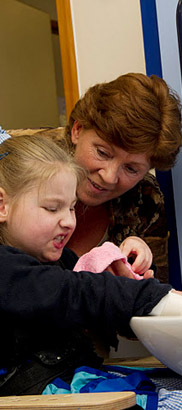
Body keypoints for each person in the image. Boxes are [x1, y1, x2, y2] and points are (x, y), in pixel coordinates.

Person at [0, 130, 180, 397]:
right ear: (2, 206)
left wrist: (125, 270)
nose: (69, 221)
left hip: (77, 379)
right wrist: (152, 296)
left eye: (72, 208)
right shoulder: (6, 270)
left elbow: (98, 302)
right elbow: (75, 292)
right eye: (52, 208)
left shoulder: (61, 260)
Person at [10, 72, 181, 283]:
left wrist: (140, 267)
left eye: (131, 169)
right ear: (78, 129)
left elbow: (152, 295)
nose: (109, 177)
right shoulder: (19, 163)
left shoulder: (146, 201)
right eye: (102, 153)